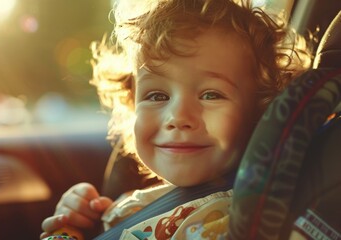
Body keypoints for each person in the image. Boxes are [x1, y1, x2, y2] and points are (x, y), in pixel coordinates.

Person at [41, 0, 311, 239]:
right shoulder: (138, 203)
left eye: (211, 94)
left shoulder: (222, 220)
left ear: (261, 112)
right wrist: (82, 223)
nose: (178, 117)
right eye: (157, 96)